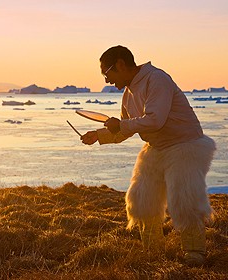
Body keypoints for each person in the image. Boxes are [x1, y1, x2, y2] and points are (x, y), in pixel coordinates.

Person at [80, 45, 216, 266]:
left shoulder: (157, 79)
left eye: (107, 73)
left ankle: (195, 253)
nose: (107, 81)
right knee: (142, 199)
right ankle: (152, 250)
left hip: (185, 145)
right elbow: (124, 129)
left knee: (185, 200)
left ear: (121, 65)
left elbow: (155, 120)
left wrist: (120, 125)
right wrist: (98, 135)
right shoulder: (128, 94)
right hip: (157, 147)